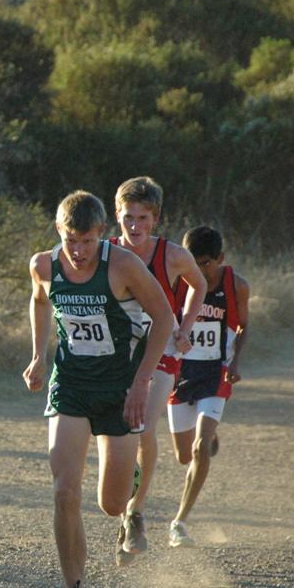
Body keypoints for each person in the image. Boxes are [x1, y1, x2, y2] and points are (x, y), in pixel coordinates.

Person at [23, 190, 173, 588]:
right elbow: (39, 299)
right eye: (70, 240)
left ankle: (131, 482)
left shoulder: (123, 266)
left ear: (102, 234)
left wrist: (141, 382)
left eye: (87, 241)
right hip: (70, 385)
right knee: (64, 492)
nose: (78, 251)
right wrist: (38, 355)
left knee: (111, 504)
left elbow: (163, 318)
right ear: (59, 231)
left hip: (119, 389)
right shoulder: (43, 265)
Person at [110, 176, 206, 565]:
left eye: (143, 218)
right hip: (118, 352)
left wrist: (185, 327)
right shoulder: (106, 252)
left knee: (143, 426)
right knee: (118, 432)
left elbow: (199, 285)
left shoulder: (173, 256)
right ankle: (123, 512)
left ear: (156, 219)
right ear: (117, 215)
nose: (135, 226)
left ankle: (136, 512)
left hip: (162, 348)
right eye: (128, 217)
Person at [166, 226, 249, 548]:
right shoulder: (175, 283)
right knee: (184, 455)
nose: (199, 270)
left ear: (220, 259)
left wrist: (236, 362)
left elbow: (243, 326)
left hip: (216, 374)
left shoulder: (236, 286)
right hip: (180, 373)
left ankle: (179, 522)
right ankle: (209, 434)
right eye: (193, 262)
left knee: (200, 449)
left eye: (206, 263)